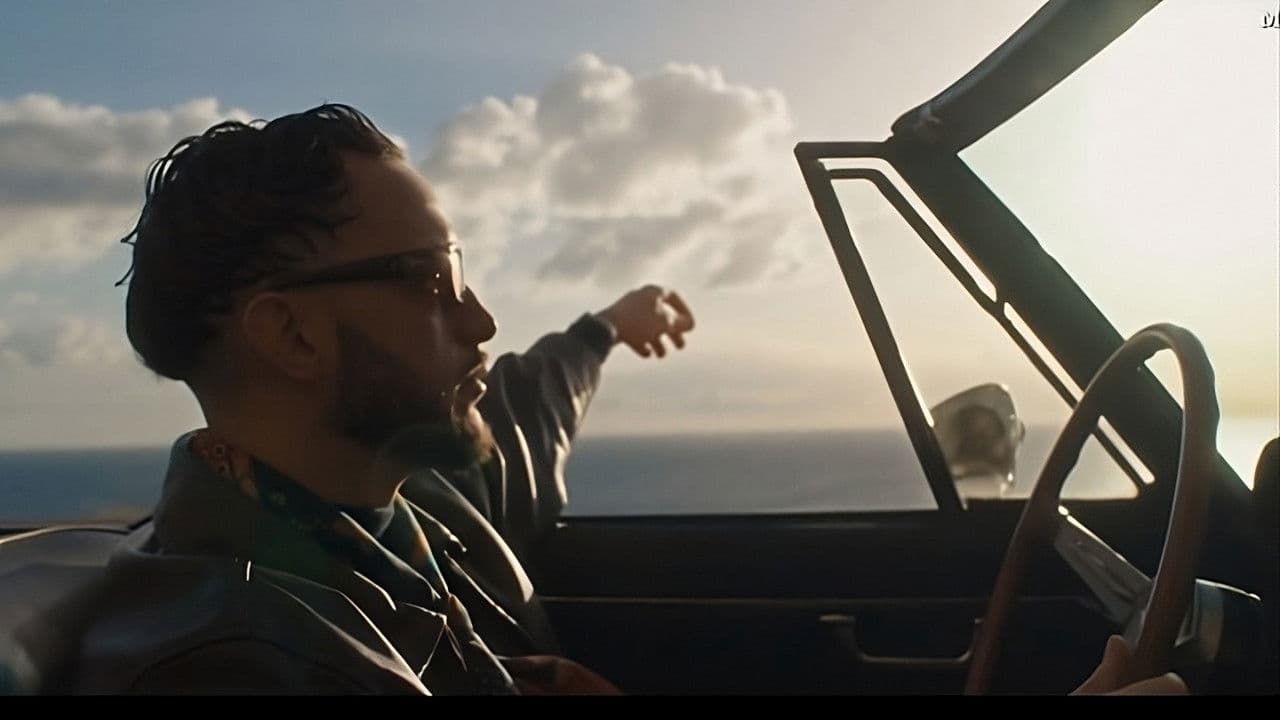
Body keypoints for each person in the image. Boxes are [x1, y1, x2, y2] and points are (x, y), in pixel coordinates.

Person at [63, 103, 1183, 695]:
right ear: (292, 334)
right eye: (433, 280)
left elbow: (520, 408)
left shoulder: (400, 513)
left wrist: (604, 330)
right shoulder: (235, 662)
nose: (481, 320)